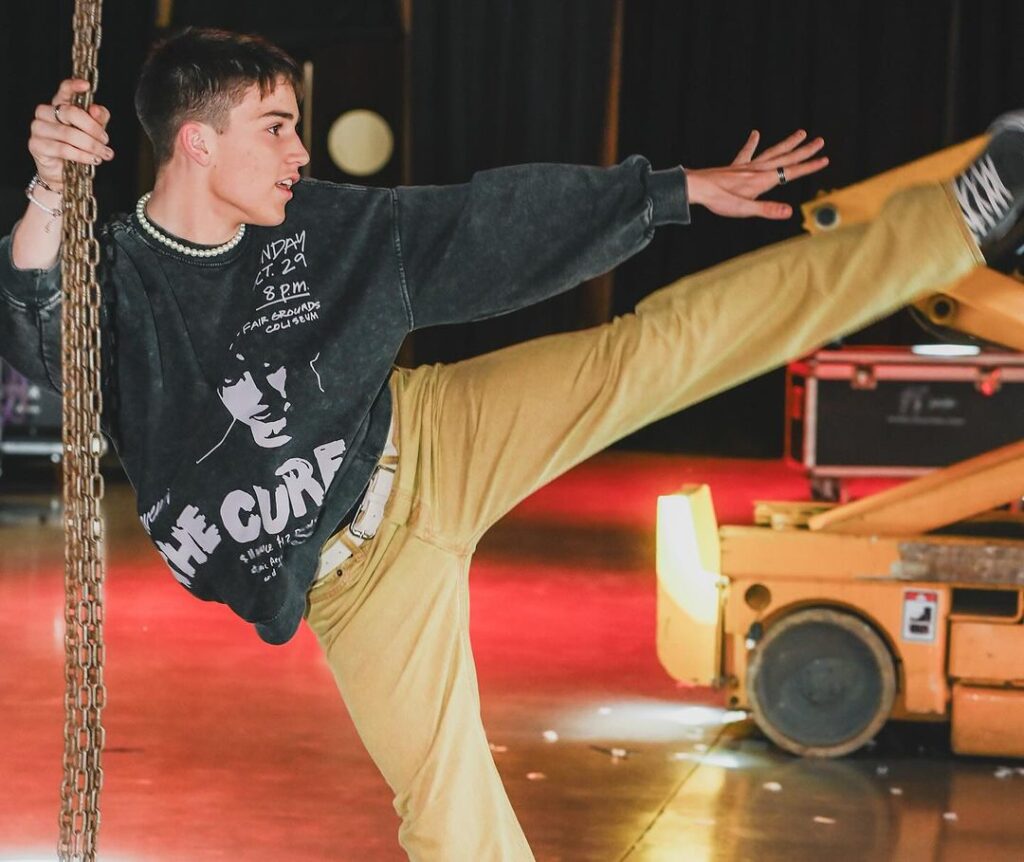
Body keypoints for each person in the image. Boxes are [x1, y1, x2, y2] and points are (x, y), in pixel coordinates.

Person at [1, 25, 1017, 862]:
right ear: (196, 142)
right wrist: (49, 190)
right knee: (451, 819)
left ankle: (948, 226)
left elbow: (485, 222)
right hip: (354, 584)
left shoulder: (318, 226)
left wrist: (668, 192)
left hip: (433, 439)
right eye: (276, 128)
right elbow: (38, 329)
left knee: (655, 351)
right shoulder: (120, 280)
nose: (299, 152)